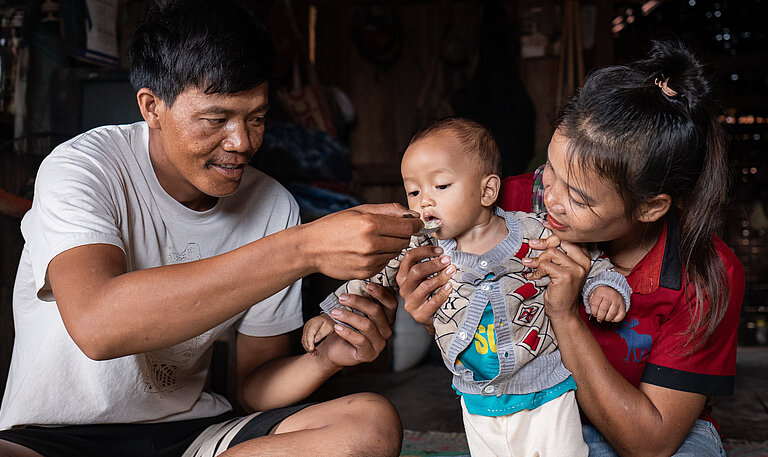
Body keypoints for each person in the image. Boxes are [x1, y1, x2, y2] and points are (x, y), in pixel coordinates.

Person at [0, 1, 425, 456]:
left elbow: (252, 390)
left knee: (369, 424)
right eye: (216, 119)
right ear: (151, 106)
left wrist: (324, 359)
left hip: (191, 437)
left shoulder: (271, 205)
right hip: (51, 438)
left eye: (256, 118)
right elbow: (97, 325)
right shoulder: (83, 168)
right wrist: (304, 248)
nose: (242, 143)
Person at [397, 40, 745, 456]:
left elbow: (651, 443)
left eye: (580, 199)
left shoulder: (706, 273)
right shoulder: (498, 207)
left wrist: (564, 314)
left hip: (644, 430)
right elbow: (466, 306)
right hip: (533, 414)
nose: (551, 200)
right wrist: (432, 312)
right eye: (550, 170)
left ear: (651, 207)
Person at [303, 117, 632, 456]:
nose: (424, 202)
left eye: (440, 186)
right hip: (476, 394)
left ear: (487, 191)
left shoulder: (533, 232)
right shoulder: (419, 248)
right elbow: (370, 275)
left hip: (543, 386)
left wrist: (603, 287)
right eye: (414, 191)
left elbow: (585, 258)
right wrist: (334, 316)